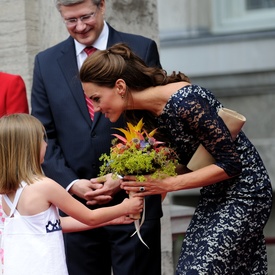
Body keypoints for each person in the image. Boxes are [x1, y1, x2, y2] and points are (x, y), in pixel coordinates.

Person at [79, 43, 273, 275]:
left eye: (96, 98)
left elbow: (231, 165)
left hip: (246, 192)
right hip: (214, 194)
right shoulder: (143, 114)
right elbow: (175, 164)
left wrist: (165, 185)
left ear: (120, 86)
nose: (96, 108)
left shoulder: (185, 99)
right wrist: (121, 179)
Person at [31, 0, 162, 274]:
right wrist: (71, 184)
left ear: (102, 6)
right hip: (75, 208)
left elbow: (155, 121)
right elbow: (43, 135)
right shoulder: (45, 62)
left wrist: (121, 175)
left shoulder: (140, 48)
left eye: (86, 16)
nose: (80, 27)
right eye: (70, 20)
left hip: (132, 200)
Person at [0, 113, 143, 275]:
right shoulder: (45, 186)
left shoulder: (7, 192)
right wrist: (125, 207)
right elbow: (89, 216)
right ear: (28, 147)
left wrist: (111, 219)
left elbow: (56, 224)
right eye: (41, 140)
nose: (46, 145)